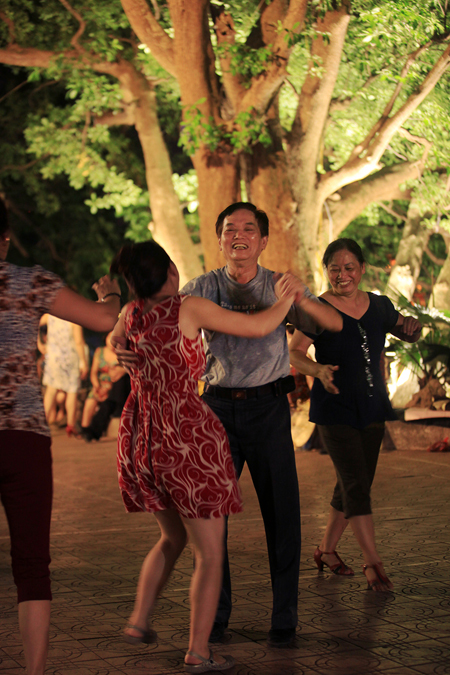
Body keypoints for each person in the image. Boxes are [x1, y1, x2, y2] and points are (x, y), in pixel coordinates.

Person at [109, 240, 298, 672]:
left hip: (143, 434)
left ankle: (139, 620)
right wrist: (286, 298)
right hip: (186, 436)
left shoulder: (133, 312)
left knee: (172, 538)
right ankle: (198, 652)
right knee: (209, 553)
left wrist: (119, 347)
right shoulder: (186, 308)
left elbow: (115, 336)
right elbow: (256, 327)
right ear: (171, 272)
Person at [178, 202, 343, 647]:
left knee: (283, 516)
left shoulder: (278, 285)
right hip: (215, 411)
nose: (240, 235)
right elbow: (165, 328)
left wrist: (303, 295)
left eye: (249, 229)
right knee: (211, 518)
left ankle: (284, 615)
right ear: (219, 239)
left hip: (269, 409)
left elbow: (333, 324)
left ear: (263, 241)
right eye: (230, 228)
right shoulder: (203, 287)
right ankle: (215, 615)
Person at [0, 197, 121, 675]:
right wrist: (110, 293)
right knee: (32, 566)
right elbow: (105, 319)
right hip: (25, 439)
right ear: (5, 239)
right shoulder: (29, 281)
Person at [289, 238, 422, 592]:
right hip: (334, 408)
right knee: (355, 485)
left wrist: (413, 327)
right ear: (326, 271)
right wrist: (316, 371)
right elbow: (294, 353)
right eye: (334, 268)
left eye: (349, 268)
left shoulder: (379, 306)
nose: (342, 275)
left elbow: (407, 331)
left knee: (354, 483)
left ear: (362, 269)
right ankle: (372, 561)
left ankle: (326, 550)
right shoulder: (316, 308)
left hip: (373, 406)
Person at [40, 315, 88, 436]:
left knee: (50, 391)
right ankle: (70, 425)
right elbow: (78, 342)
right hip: (70, 359)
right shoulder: (74, 319)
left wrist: (40, 344)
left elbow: (35, 324)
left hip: (53, 358)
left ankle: (42, 423)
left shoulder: (48, 316)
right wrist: (83, 362)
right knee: (72, 391)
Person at [81, 331, 126, 428]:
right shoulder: (100, 351)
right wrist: (96, 385)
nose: (111, 342)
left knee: (110, 400)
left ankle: (99, 428)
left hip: (115, 385)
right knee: (91, 399)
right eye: (110, 338)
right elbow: (93, 373)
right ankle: (85, 428)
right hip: (100, 384)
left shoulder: (123, 353)